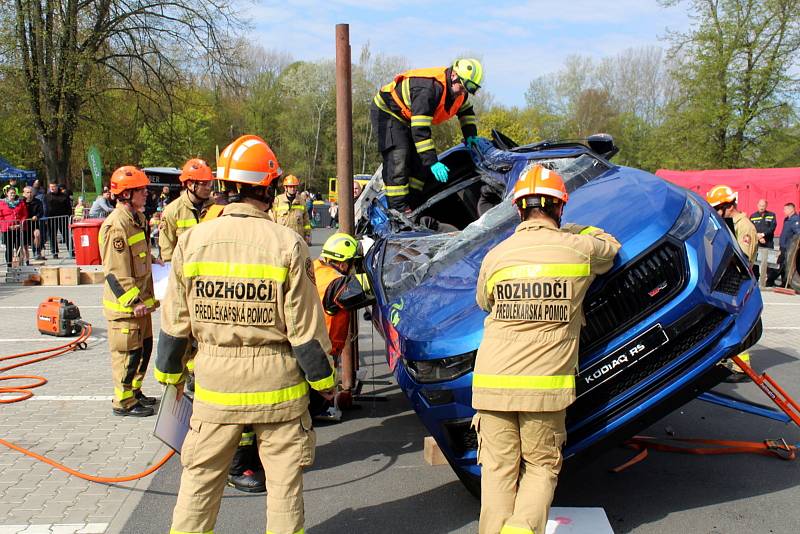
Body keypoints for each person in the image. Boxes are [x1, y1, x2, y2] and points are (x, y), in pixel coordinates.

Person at [154, 134, 336, 534]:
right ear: (268, 189)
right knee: (284, 492)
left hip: (214, 389)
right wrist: (325, 383)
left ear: (224, 187)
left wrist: (170, 378)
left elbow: (174, 324)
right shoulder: (288, 244)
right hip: (280, 392)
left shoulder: (192, 241)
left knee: (199, 486)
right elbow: (305, 331)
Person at [472, 164, 620, 534]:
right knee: (540, 466)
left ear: (519, 209)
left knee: (497, 470)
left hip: (491, 382)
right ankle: (522, 528)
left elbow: (484, 303)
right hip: (543, 388)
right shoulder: (579, 249)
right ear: (560, 208)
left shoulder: (497, 255)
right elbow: (611, 247)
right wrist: (572, 230)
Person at [371, 58, 483, 212]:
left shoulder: (459, 93)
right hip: (389, 112)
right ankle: (398, 211)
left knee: (420, 164)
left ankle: (414, 204)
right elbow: (420, 130)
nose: (463, 92)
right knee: (399, 159)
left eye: (468, 90)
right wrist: (432, 162)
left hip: (408, 117)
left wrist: (471, 135)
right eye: (463, 87)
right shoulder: (429, 89)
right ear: (454, 76)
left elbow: (466, 112)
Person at [99, 166, 159, 417]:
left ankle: (135, 392)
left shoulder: (137, 219)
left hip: (141, 304)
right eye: (140, 190)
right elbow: (115, 272)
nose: (146, 193)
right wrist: (133, 301)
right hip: (126, 308)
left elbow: (139, 257)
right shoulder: (116, 227)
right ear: (125, 194)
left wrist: (153, 261)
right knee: (127, 353)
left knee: (143, 349)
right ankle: (123, 402)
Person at [312, 232, 374, 420]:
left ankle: (319, 409)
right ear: (342, 264)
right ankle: (316, 412)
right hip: (322, 348)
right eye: (354, 263)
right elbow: (362, 288)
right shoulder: (334, 282)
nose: (355, 267)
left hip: (315, 343)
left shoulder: (317, 268)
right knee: (316, 392)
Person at [706, 185, 757, 381]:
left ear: (728, 205)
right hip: (728, 281)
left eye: (717, 208)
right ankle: (731, 360)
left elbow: (743, 257)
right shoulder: (728, 222)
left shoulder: (744, 226)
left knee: (740, 323)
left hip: (740, 282)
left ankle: (741, 367)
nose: (716, 213)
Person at [158, 159, 215, 262]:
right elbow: (167, 251)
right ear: (190, 185)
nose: (208, 188)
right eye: (204, 183)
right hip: (185, 274)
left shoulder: (216, 206)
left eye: (210, 183)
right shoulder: (172, 211)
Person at [272, 174, 312, 244]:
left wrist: (307, 234)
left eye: (294, 186)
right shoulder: (278, 200)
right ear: (285, 187)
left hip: (297, 239)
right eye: (290, 186)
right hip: (282, 239)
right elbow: (273, 219)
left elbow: (306, 221)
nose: (293, 189)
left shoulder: (301, 201)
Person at [768, 202, 800, 287]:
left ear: (791, 209)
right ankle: (784, 282)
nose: (783, 211)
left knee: (781, 264)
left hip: (789, 247)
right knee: (783, 265)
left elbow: (798, 233)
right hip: (783, 245)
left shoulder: (795, 220)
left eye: (785, 209)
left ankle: (770, 280)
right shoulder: (787, 219)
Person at [0, 187, 28, 267]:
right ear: (7, 194)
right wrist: (9, 226)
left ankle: (20, 264)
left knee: (19, 247)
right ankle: (9, 265)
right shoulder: (1, 203)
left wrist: (21, 223)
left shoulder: (20, 202)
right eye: (11, 193)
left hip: (19, 227)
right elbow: (1, 217)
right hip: (7, 229)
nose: (12, 194)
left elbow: (24, 214)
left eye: (14, 192)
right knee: (9, 248)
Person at [749, 199, 777, 280]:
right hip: (757, 242)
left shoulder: (771, 215)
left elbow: (772, 227)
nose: (761, 207)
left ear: (766, 206)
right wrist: (758, 237)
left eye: (763, 206)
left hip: (768, 242)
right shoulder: (753, 216)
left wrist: (763, 235)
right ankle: (756, 278)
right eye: (760, 205)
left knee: (769, 261)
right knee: (755, 261)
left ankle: (769, 280)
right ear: (757, 205)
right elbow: (751, 228)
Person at [45, 182, 73, 258]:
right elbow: (46, 208)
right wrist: (46, 219)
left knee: (66, 235)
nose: (52, 188)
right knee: (52, 236)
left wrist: (69, 216)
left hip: (63, 218)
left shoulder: (64, 196)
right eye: (51, 187)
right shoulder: (47, 196)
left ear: (57, 187)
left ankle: (72, 251)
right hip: (51, 219)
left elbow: (69, 207)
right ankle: (54, 252)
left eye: (54, 186)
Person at [21, 186, 44, 262]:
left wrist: (37, 216)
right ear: (24, 193)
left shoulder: (38, 201)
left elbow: (41, 212)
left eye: (31, 192)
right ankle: (26, 259)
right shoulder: (21, 202)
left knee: (37, 235)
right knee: (25, 243)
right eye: (27, 192)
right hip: (24, 224)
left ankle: (37, 251)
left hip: (34, 223)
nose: (29, 194)